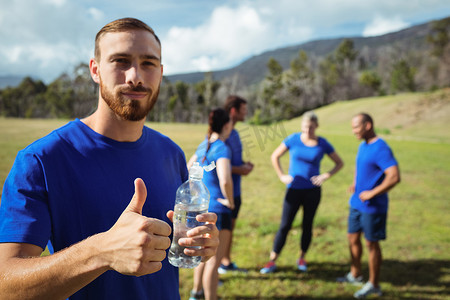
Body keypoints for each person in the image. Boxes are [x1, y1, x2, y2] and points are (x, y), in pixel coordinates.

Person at [0, 18, 219, 300]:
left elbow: (172, 243)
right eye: (120, 61)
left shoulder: (171, 154)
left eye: (149, 63)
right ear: (95, 70)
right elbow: (7, 286)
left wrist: (197, 241)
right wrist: (101, 251)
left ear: (161, 72)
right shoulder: (41, 161)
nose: (135, 77)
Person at [260, 111, 344, 274]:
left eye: (311, 128)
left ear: (317, 126)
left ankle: (302, 257)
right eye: (305, 127)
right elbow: (275, 156)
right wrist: (282, 176)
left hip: (312, 191)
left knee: (307, 225)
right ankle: (272, 260)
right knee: (285, 225)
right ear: (302, 126)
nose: (308, 131)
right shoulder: (293, 139)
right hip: (294, 190)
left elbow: (339, 163)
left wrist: (326, 175)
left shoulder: (322, 143)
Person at [337, 113, 400, 299]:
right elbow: (360, 167)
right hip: (356, 203)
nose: (353, 131)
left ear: (368, 125)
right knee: (352, 237)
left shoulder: (381, 148)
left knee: (371, 244)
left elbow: (394, 176)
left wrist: (372, 193)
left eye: (356, 127)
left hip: (373, 207)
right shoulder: (363, 145)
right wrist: (356, 182)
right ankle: (355, 274)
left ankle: (374, 284)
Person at [187, 108, 234, 300]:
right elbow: (225, 180)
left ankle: (195, 293)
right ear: (225, 125)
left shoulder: (202, 146)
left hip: (202, 209)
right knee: (213, 261)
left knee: (202, 256)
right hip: (219, 211)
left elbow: (188, 170)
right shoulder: (222, 147)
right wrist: (230, 201)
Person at [218, 95, 254, 274]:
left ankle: (225, 261)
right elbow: (218, 161)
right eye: (243, 110)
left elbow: (233, 160)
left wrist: (244, 165)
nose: (246, 113)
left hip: (236, 191)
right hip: (223, 195)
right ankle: (216, 269)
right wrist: (241, 170)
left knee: (229, 230)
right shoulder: (221, 134)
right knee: (221, 231)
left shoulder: (236, 133)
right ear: (234, 111)